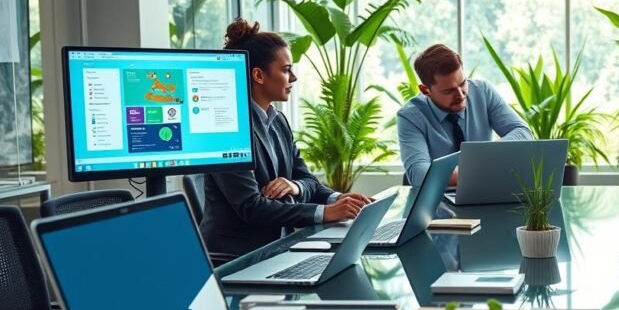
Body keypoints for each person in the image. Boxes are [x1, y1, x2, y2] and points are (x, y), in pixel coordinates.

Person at [200, 18, 371, 256]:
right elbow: (252, 207)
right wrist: (325, 212)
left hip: (279, 247)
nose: (293, 78)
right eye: (286, 69)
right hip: (238, 256)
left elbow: (308, 180)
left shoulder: (278, 120)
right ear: (259, 75)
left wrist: (336, 198)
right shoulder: (226, 128)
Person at [396, 44, 532, 186]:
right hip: (437, 200)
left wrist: (488, 154)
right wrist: (479, 171)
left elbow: (523, 133)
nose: (460, 95)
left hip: (484, 191)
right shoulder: (410, 117)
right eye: (449, 91)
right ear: (425, 90)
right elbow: (418, 174)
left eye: (462, 83)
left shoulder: (483, 92)